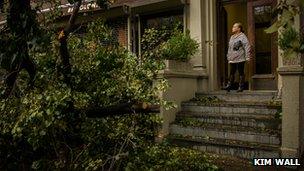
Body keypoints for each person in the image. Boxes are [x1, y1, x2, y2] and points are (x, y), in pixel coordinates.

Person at [223, 22, 251, 92]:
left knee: (240, 72)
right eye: (233, 27)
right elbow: (230, 48)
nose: (232, 28)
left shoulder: (243, 36)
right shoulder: (232, 37)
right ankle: (229, 86)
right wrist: (228, 56)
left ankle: (241, 87)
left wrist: (248, 57)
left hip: (240, 58)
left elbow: (247, 46)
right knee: (232, 72)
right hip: (232, 59)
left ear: (239, 29)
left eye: (234, 27)